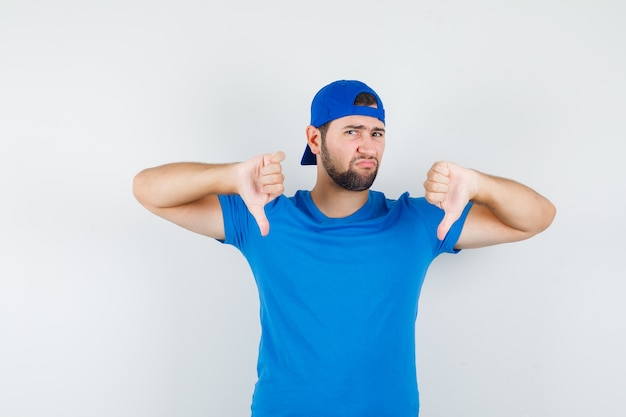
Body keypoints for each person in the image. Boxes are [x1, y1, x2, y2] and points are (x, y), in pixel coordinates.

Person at [133, 79, 556, 417]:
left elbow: (537, 219)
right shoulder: (264, 218)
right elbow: (148, 191)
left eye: (377, 133)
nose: (367, 146)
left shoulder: (419, 222)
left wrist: (480, 184)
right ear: (314, 140)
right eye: (352, 131)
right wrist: (226, 176)